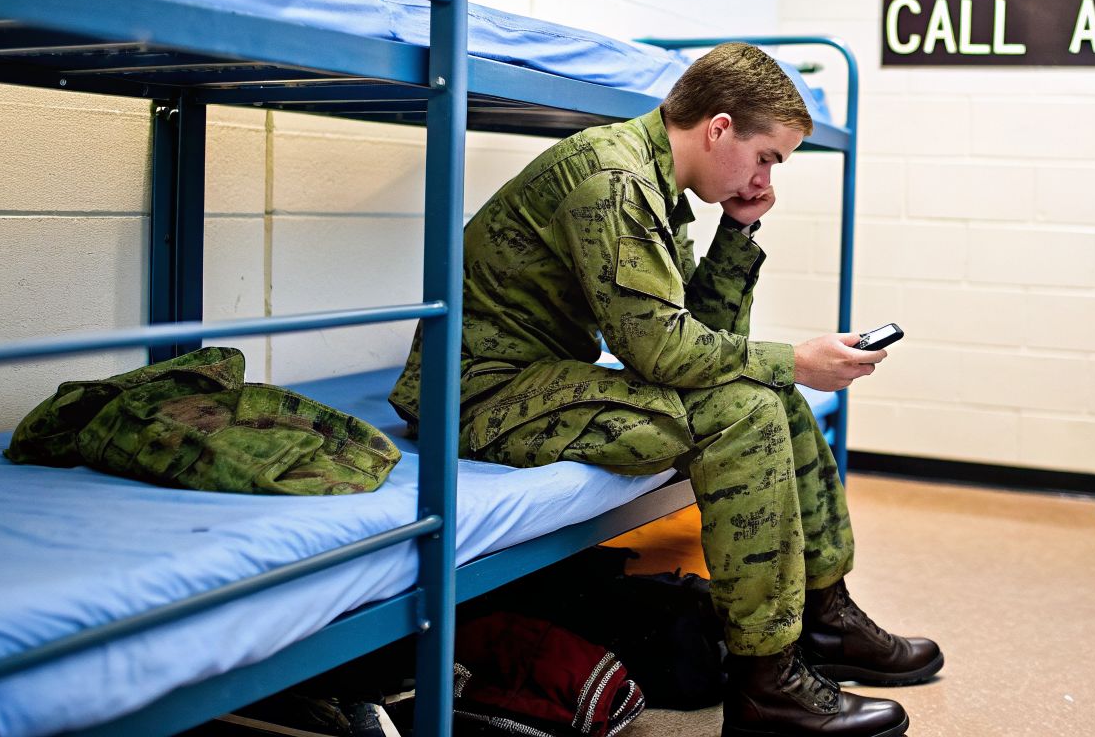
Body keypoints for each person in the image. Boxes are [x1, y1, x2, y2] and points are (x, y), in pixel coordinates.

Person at [391, 42, 941, 737]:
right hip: (476, 398)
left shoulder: (658, 183)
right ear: (718, 128)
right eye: (768, 156)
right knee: (749, 408)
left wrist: (739, 229)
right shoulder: (613, 180)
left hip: (538, 379)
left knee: (774, 397)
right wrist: (793, 359)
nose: (769, 173)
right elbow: (662, 351)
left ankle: (824, 618)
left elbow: (696, 339)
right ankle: (767, 683)